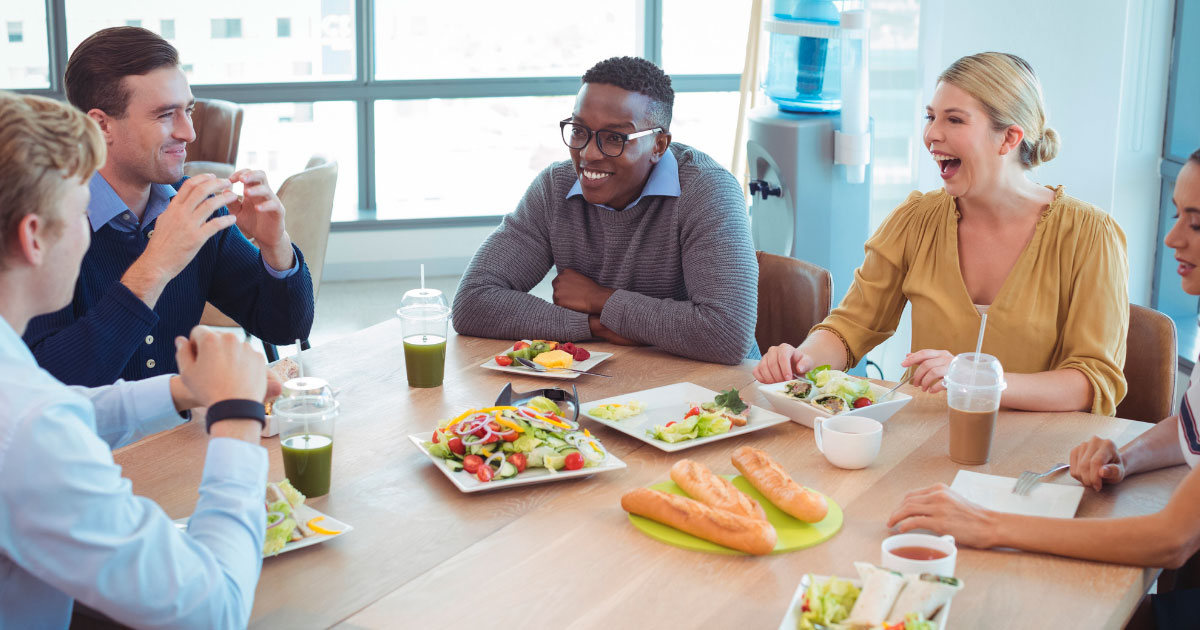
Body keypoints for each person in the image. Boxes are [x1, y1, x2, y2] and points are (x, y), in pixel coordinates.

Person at [889, 148, 1200, 628]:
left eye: (1195, 224)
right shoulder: (920, 217)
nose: (1171, 238)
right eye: (1177, 216)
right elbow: (1190, 426)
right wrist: (1129, 456)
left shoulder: (1089, 232)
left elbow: (1171, 539)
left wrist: (989, 526)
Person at [0, 91, 276, 628]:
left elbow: (47, 412)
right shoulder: (32, 429)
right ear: (34, 237)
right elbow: (213, 611)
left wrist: (179, 390)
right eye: (81, 213)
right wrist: (236, 420)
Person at [753, 52, 1128, 414]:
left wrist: (975, 380)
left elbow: (1092, 382)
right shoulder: (916, 220)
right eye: (930, 117)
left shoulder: (1091, 236)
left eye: (954, 120)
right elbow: (850, 327)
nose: (931, 134)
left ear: (1009, 138)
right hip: (924, 438)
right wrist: (800, 361)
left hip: (1033, 451)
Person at [23, 26, 315, 387]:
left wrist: (276, 245)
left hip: (178, 435)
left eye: (188, 110)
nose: (189, 132)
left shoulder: (195, 204)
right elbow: (48, 385)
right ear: (100, 125)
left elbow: (286, 328)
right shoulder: (41, 227)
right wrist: (156, 264)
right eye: (165, 115)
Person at [452, 56, 758, 365]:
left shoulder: (708, 191)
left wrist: (600, 299)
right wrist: (594, 325)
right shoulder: (555, 188)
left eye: (615, 138)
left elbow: (727, 333)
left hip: (713, 393)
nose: (588, 153)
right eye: (579, 131)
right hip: (609, 377)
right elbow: (472, 302)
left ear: (659, 145)